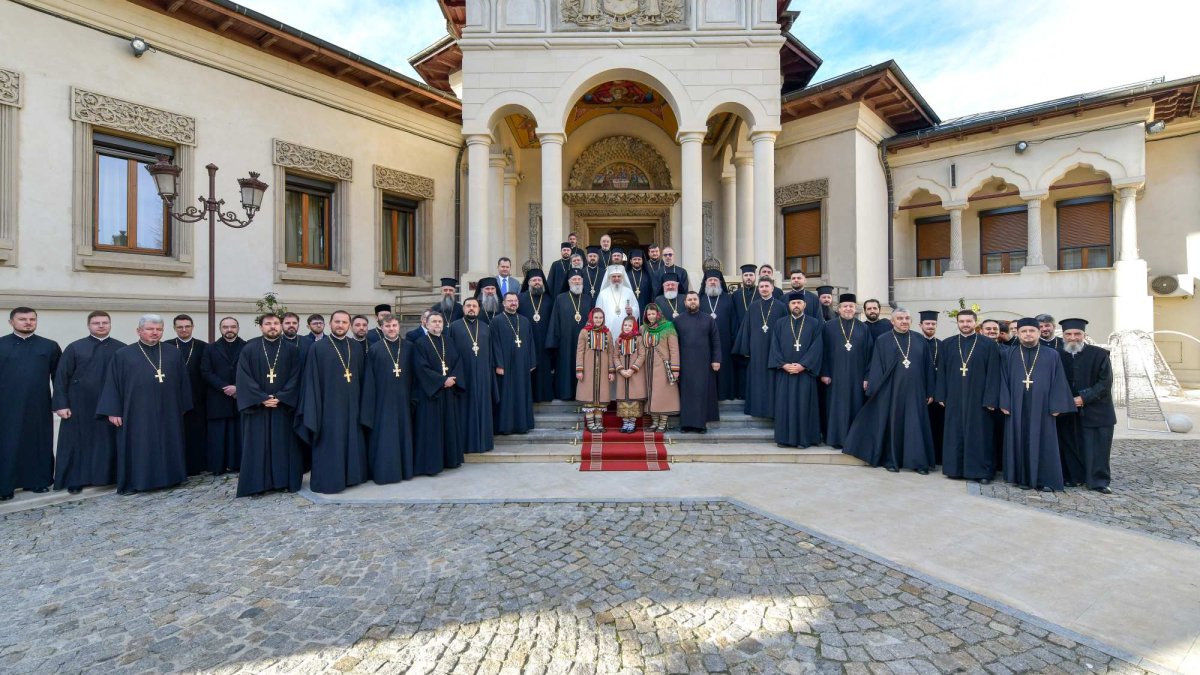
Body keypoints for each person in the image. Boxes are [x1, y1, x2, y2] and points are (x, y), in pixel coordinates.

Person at [96, 314, 192, 494]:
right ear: (139, 331)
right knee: (140, 445)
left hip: (169, 409)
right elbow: (112, 384)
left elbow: (183, 382)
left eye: (159, 329)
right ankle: (139, 482)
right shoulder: (123, 355)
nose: (155, 333)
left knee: (169, 441)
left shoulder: (173, 352)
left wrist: (183, 406)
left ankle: (172, 478)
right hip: (136, 411)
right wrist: (113, 410)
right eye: (150, 329)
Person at [842, 309, 936, 474]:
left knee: (915, 425)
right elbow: (877, 365)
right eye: (900, 318)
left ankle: (918, 462)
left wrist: (930, 391)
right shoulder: (883, 340)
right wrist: (875, 390)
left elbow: (928, 368)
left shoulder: (920, 340)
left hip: (915, 391)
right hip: (892, 390)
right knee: (893, 425)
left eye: (907, 318)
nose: (904, 321)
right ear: (892, 321)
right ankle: (891, 460)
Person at [295, 310, 369, 494]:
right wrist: (315, 409)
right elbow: (311, 380)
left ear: (349, 325)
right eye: (337, 321)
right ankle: (330, 480)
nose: (340, 325)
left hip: (353, 405)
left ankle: (352, 477)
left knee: (352, 440)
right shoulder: (318, 348)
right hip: (329, 407)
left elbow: (362, 378)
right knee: (331, 442)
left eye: (344, 322)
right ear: (330, 323)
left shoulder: (356, 347)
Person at [52, 311, 125, 493]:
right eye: (96, 323)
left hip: (111, 404)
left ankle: (111, 476)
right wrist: (61, 404)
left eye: (105, 322)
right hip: (79, 405)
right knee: (78, 442)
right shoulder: (75, 348)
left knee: (108, 441)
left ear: (110, 324)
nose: (101, 326)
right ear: (88, 325)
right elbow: (61, 377)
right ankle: (76, 479)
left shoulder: (122, 349)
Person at [1000, 318, 1075, 492]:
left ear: (1039, 333)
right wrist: (1004, 401)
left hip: (1043, 407)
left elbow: (1059, 381)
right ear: (1017, 333)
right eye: (1024, 331)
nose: (1028, 334)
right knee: (1018, 439)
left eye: (1031, 331)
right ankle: (1021, 478)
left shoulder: (1052, 355)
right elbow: (1002, 379)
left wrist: (1057, 405)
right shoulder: (1009, 354)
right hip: (1015, 406)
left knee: (1044, 441)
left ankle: (1045, 479)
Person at [235, 313, 303, 497]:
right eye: (268, 324)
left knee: (283, 445)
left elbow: (296, 376)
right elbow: (243, 376)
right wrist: (261, 398)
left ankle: (283, 482)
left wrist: (281, 397)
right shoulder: (249, 349)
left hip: (282, 407)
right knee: (257, 446)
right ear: (261, 327)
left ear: (280, 326)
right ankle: (257, 485)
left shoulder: (291, 350)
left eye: (275, 323)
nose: (272, 327)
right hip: (257, 408)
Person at [0, 307, 61, 500]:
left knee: (39, 442)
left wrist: (60, 403)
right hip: (6, 404)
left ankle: (39, 481)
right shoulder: (1, 345)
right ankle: (5, 486)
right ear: (11, 322)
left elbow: (58, 378)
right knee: (7, 444)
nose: (28, 322)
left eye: (32, 319)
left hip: (39, 404)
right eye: (22, 319)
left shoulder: (49, 346)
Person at [935, 310, 1002, 484]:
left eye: (968, 321)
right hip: (954, 396)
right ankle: (954, 469)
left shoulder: (988, 344)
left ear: (975, 322)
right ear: (957, 323)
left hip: (979, 398)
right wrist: (941, 394)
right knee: (954, 432)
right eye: (962, 321)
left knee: (980, 434)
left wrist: (991, 398)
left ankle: (981, 472)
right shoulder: (948, 344)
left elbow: (994, 373)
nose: (965, 324)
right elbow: (941, 370)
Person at [1055, 318, 1117, 493]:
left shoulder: (1100, 354)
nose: (1073, 338)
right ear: (1063, 336)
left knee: (1097, 448)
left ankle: (1098, 481)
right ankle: (1074, 477)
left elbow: (1105, 383)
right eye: (1068, 334)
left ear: (1084, 335)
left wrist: (1083, 398)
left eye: (1077, 334)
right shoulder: (1056, 355)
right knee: (1070, 445)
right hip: (1067, 410)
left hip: (1097, 410)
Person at [359, 313, 413, 484]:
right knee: (385, 437)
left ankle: (405, 470)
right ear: (381, 328)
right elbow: (369, 380)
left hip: (404, 400)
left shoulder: (409, 347)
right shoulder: (375, 349)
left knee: (403, 435)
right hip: (382, 401)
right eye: (388, 326)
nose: (391, 329)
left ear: (399, 327)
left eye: (394, 326)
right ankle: (385, 472)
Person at [409, 312, 465, 474]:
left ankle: (450, 460)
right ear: (426, 324)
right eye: (433, 322)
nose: (437, 324)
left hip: (448, 393)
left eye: (440, 321)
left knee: (449, 427)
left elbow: (458, 362)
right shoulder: (420, 343)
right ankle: (432, 465)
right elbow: (420, 368)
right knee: (431, 430)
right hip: (431, 395)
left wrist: (454, 379)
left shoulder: (449, 341)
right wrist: (442, 381)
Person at [769, 292, 824, 448]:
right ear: (789, 305)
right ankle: (784, 439)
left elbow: (817, 347)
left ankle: (804, 439)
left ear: (804, 305)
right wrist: (783, 364)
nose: (796, 305)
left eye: (799, 303)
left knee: (804, 405)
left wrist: (803, 365)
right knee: (784, 406)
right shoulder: (780, 323)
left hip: (805, 374)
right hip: (784, 373)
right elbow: (774, 346)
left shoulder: (814, 323)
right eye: (793, 303)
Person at [820, 294, 872, 449]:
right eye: (845, 306)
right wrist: (824, 372)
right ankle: (835, 439)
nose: (848, 309)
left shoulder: (864, 328)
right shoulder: (828, 326)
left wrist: (867, 376)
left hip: (857, 376)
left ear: (855, 308)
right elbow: (822, 351)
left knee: (855, 406)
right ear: (839, 308)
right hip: (834, 376)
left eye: (851, 306)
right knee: (835, 407)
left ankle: (853, 439)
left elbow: (870, 354)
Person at [733, 278, 788, 418]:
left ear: (772, 288)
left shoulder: (781, 306)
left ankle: (772, 411)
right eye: (761, 286)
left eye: (766, 286)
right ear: (758, 289)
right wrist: (745, 349)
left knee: (772, 380)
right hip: (756, 350)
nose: (764, 289)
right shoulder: (753, 306)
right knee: (756, 380)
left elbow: (786, 330)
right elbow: (746, 328)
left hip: (774, 350)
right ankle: (756, 409)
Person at [447, 297, 495, 453]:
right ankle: (465, 444)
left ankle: (484, 443)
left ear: (479, 309)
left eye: (474, 306)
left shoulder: (486, 327)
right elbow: (450, 352)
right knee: (465, 408)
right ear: (463, 309)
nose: (471, 308)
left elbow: (491, 353)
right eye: (468, 306)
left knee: (482, 406)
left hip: (483, 374)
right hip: (463, 374)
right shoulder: (454, 327)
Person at [200, 317, 246, 475]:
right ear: (220, 329)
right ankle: (218, 466)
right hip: (218, 397)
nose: (229, 330)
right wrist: (224, 387)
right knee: (218, 434)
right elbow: (205, 371)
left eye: (233, 326)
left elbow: (251, 371)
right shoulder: (210, 348)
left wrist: (238, 387)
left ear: (238, 328)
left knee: (238, 433)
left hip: (240, 396)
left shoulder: (247, 347)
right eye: (225, 327)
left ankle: (239, 464)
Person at [165, 314, 207, 475]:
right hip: (173, 397)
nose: (184, 330)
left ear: (192, 327)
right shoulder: (167, 346)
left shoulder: (203, 347)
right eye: (180, 327)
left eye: (187, 326)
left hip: (198, 396)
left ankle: (197, 465)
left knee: (196, 432)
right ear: (175, 328)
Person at [674, 291, 721, 433]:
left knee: (701, 393)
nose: (692, 301)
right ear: (685, 302)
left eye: (695, 299)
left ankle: (701, 425)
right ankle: (686, 424)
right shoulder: (678, 320)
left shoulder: (708, 319)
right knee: (686, 394)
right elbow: (673, 343)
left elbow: (716, 341)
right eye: (689, 299)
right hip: (684, 363)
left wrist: (716, 359)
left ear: (699, 302)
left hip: (704, 363)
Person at [492, 292, 536, 435]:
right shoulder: (497, 321)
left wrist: (531, 361)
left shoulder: (524, 320)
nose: (513, 303)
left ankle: (522, 425)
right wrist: (499, 364)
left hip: (522, 365)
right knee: (507, 395)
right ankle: (506, 427)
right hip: (505, 365)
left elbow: (530, 342)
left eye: (515, 301)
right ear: (503, 303)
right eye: (510, 301)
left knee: (522, 394)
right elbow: (495, 344)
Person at [546, 270, 593, 400]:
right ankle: (566, 394)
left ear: (583, 282)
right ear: (569, 282)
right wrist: (554, 342)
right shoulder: (561, 298)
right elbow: (555, 321)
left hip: (585, 342)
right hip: (565, 342)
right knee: (565, 367)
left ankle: (583, 394)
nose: (577, 282)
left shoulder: (588, 299)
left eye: (579, 279)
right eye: (574, 279)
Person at [639, 304, 681, 432]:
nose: (651, 317)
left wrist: (675, 368)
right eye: (649, 314)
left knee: (663, 395)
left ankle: (662, 423)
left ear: (658, 314)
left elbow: (674, 350)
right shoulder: (643, 329)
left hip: (663, 366)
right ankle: (654, 422)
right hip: (647, 367)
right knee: (651, 395)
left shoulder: (668, 327)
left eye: (653, 314)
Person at [575, 307, 615, 432]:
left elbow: (611, 352)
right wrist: (579, 369)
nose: (598, 320)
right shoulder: (584, 332)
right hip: (588, 370)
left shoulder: (607, 333)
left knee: (600, 398)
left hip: (602, 370)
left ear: (604, 319)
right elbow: (580, 351)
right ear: (591, 318)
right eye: (596, 317)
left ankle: (599, 423)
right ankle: (591, 424)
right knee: (589, 397)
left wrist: (611, 370)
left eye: (601, 317)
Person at [518, 269, 555, 403]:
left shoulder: (549, 299)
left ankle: (544, 395)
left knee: (544, 368)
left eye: (539, 280)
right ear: (528, 282)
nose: (537, 283)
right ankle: (530, 397)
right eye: (534, 280)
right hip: (526, 340)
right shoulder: (520, 298)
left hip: (545, 340)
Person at [701, 270, 738, 401]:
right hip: (705, 341)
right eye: (710, 280)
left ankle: (725, 393)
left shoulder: (728, 298)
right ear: (705, 282)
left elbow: (734, 319)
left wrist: (734, 338)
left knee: (725, 368)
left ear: (720, 282)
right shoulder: (701, 299)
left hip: (725, 340)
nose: (712, 282)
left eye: (715, 280)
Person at [612, 316, 647, 434]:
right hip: (622, 374)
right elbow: (615, 356)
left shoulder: (638, 339)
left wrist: (632, 370)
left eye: (630, 325)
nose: (627, 327)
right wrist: (621, 370)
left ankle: (632, 423)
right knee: (623, 399)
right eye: (625, 325)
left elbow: (642, 355)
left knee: (633, 399)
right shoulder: (619, 340)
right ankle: (625, 423)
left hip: (635, 374)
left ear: (634, 327)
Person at [918, 310, 944, 466]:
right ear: (920, 325)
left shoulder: (942, 345)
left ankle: (937, 457)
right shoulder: (915, 342)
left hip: (938, 391)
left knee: (937, 425)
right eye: (927, 324)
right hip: (921, 391)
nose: (930, 326)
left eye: (933, 324)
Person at [730, 264, 760, 399]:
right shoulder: (735, 295)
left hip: (757, 335)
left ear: (755, 277)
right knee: (741, 365)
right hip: (740, 335)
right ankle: (741, 393)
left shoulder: (761, 292)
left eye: (751, 275)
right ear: (742, 277)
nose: (748, 278)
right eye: (746, 275)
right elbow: (733, 315)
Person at [596, 264, 640, 335]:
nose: (616, 278)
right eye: (613, 276)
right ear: (609, 278)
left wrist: (632, 310)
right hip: (608, 327)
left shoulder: (629, 292)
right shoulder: (603, 294)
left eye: (619, 276)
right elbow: (597, 311)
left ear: (622, 278)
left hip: (626, 328)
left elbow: (636, 308)